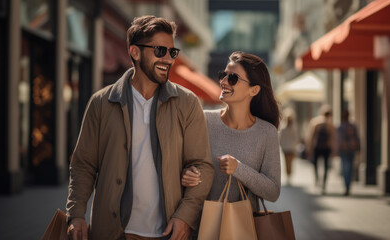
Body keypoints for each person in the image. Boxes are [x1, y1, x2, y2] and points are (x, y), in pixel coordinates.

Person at [66, 15, 214, 240]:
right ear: (135, 52)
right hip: (113, 232)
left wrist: (185, 216)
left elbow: (203, 165)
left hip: (168, 232)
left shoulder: (188, 103)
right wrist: (76, 214)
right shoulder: (101, 103)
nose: (168, 59)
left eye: (172, 52)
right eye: (160, 51)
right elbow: (83, 165)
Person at [182, 51, 281, 214]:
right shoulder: (203, 120)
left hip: (242, 229)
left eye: (233, 78)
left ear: (254, 90)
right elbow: (184, 165)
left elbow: (273, 192)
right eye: (223, 75)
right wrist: (186, 174)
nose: (224, 81)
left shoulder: (267, 132)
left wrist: (238, 169)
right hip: (199, 226)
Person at [306, 104, 336, 194]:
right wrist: (333, 149)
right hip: (326, 147)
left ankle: (317, 179)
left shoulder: (315, 122)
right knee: (326, 166)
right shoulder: (330, 124)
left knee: (315, 164)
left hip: (317, 146)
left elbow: (311, 136)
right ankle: (324, 183)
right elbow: (333, 138)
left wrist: (309, 147)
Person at [337, 109, 360, 196]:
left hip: (344, 149)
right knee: (350, 167)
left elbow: (338, 140)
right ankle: (348, 185)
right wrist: (358, 148)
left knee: (345, 167)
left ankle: (347, 186)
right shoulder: (353, 126)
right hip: (351, 149)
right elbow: (357, 138)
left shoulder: (341, 127)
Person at [279, 108, 299, 185]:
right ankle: (289, 175)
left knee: (287, 162)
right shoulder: (291, 127)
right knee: (289, 162)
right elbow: (296, 137)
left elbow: (281, 137)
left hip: (287, 147)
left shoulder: (285, 127)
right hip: (290, 147)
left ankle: (288, 176)